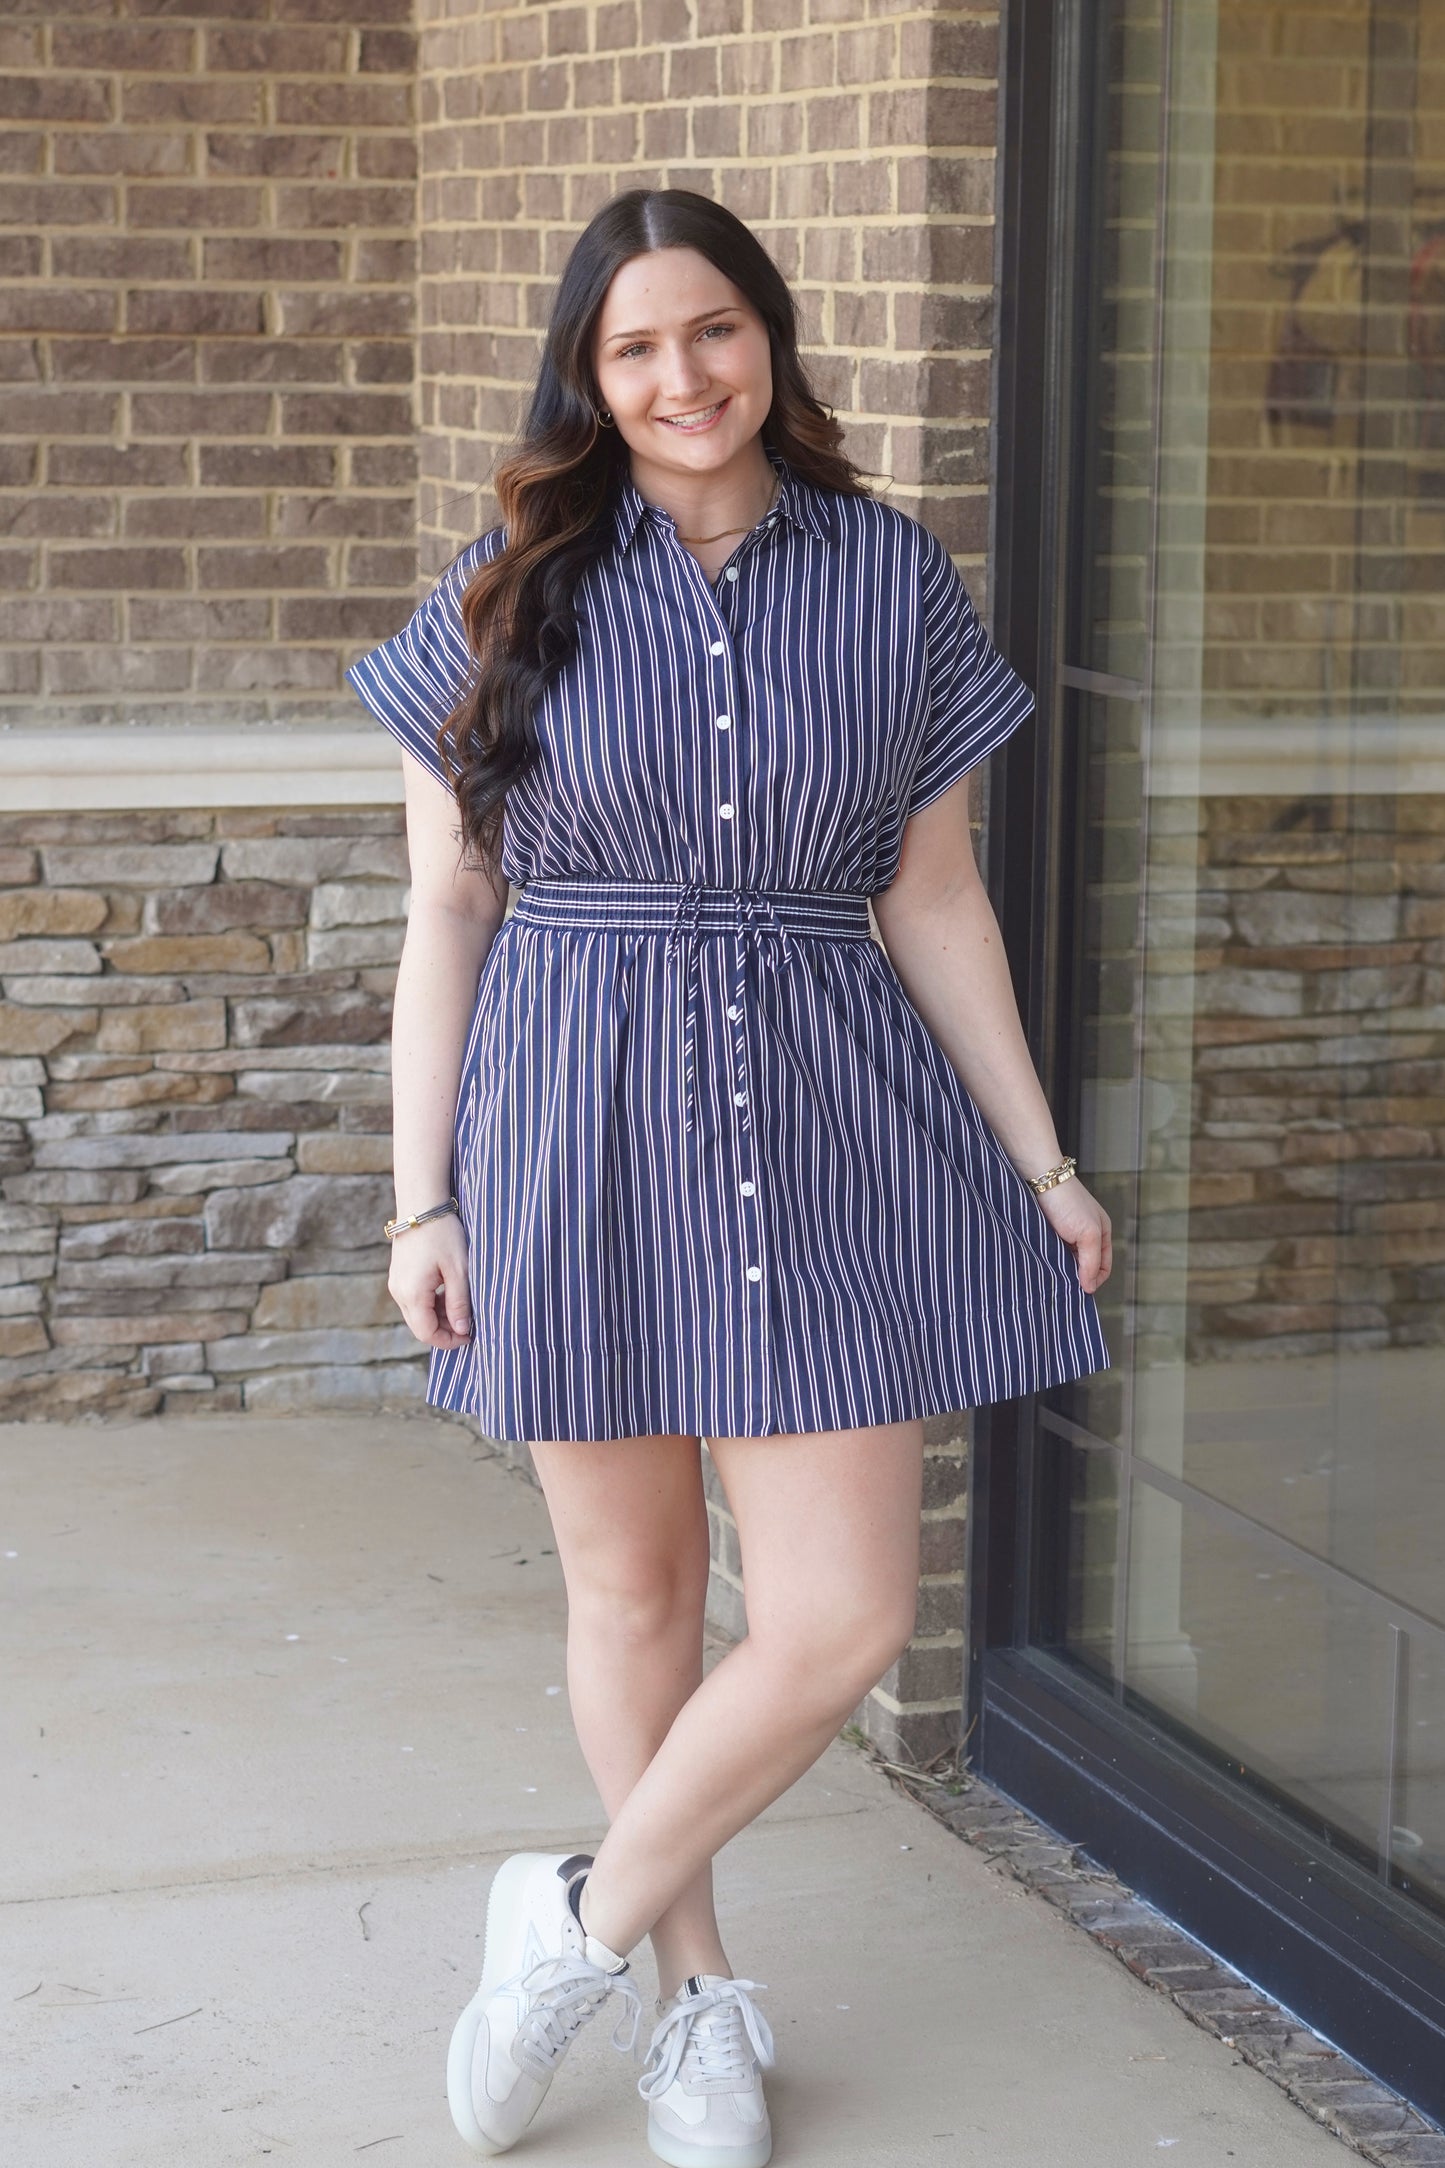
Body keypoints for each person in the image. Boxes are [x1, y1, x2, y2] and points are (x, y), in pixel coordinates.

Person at [347, 187, 1111, 2166]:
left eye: (713, 331)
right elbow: (448, 910)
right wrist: (420, 1195)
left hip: (831, 1118)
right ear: (588, 380)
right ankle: (690, 2000)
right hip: (572, 1118)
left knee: (842, 1615)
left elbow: (932, 891)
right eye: (634, 348)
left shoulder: (890, 579)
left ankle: (570, 1926)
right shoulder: (505, 589)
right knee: (639, 1592)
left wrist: (1039, 1151)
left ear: (768, 336)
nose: (681, 376)